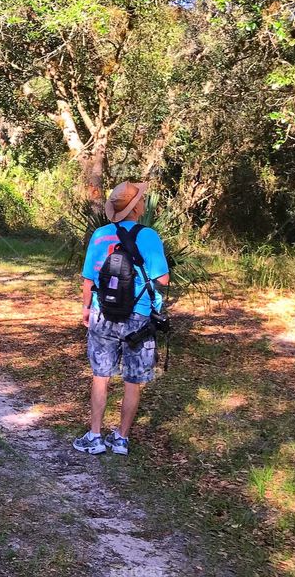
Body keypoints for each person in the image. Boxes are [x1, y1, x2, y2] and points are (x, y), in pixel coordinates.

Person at [72, 181, 170, 456]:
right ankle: (121, 439)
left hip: (103, 313)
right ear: (137, 207)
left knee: (100, 376)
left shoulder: (100, 234)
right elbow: (163, 278)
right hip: (138, 317)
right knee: (132, 380)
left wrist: (85, 309)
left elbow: (88, 279)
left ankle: (94, 435)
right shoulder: (149, 236)